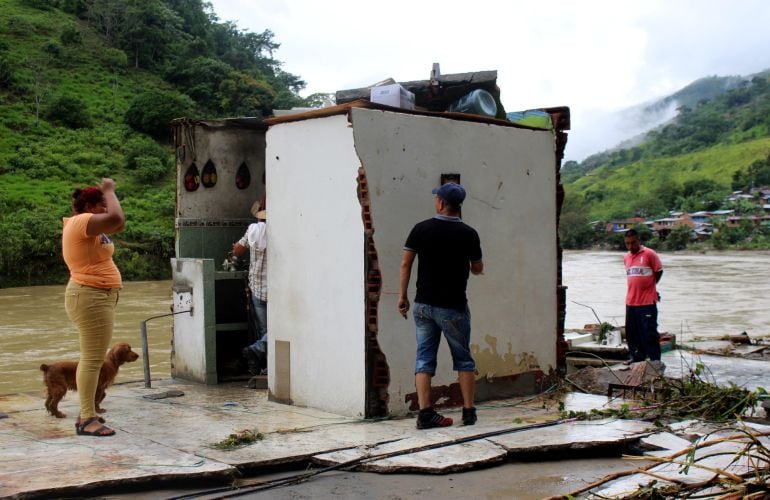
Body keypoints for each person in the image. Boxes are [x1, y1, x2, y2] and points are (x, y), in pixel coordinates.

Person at [398, 182, 484, 429]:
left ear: (441, 203)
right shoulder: (469, 234)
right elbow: (477, 268)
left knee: (424, 359)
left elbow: (405, 264)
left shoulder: (421, 229)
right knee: (463, 360)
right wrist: (469, 266)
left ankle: (425, 414)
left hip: (423, 305)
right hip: (453, 307)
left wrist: (402, 296)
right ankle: (468, 413)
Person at [62, 178, 125, 437]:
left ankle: (87, 413)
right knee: (92, 360)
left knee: (93, 358)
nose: (105, 208)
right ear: (88, 206)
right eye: (101, 205)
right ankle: (87, 419)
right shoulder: (80, 222)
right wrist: (109, 190)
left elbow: (117, 223)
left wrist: (107, 197)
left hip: (96, 296)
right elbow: (116, 217)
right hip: (90, 296)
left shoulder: (89, 227)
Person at [233, 201, 268, 375]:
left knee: (264, 330)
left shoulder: (253, 230)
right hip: (275, 290)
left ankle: (256, 351)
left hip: (257, 288)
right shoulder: (281, 229)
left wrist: (235, 247)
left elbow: (237, 251)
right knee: (278, 329)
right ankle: (262, 359)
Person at [623, 229, 663, 362]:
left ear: (638, 241)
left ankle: (655, 361)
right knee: (632, 334)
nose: (630, 246)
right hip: (631, 302)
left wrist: (651, 286)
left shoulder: (649, 254)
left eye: (633, 243)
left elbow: (658, 271)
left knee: (649, 334)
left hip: (646, 303)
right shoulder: (626, 257)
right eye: (627, 243)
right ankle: (636, 359)